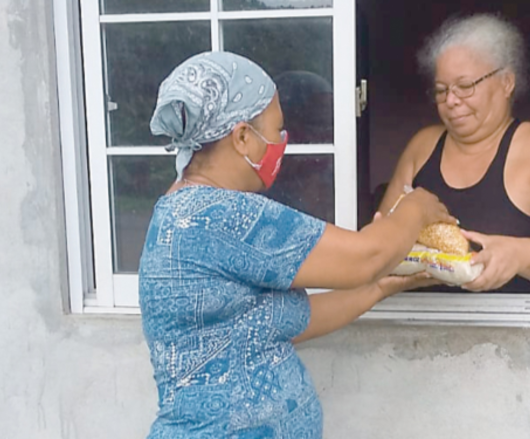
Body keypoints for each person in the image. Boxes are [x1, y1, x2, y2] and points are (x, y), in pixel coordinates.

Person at [139, 51, 454, 438]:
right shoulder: (216, 214)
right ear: (241, 136)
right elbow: (365, 256)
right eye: (276, 130)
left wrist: (383, 286)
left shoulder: (184, 210)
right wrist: (415, 207)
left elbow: (284, 322)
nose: (281, 143)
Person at [378, 14, 530, 293]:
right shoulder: (423, 146)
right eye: (441, 91)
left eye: (465, 86)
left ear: (506, 83)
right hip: (419, 320)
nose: (451, 101)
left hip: (518, 328)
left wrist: (521, 255)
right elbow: (382, 242)